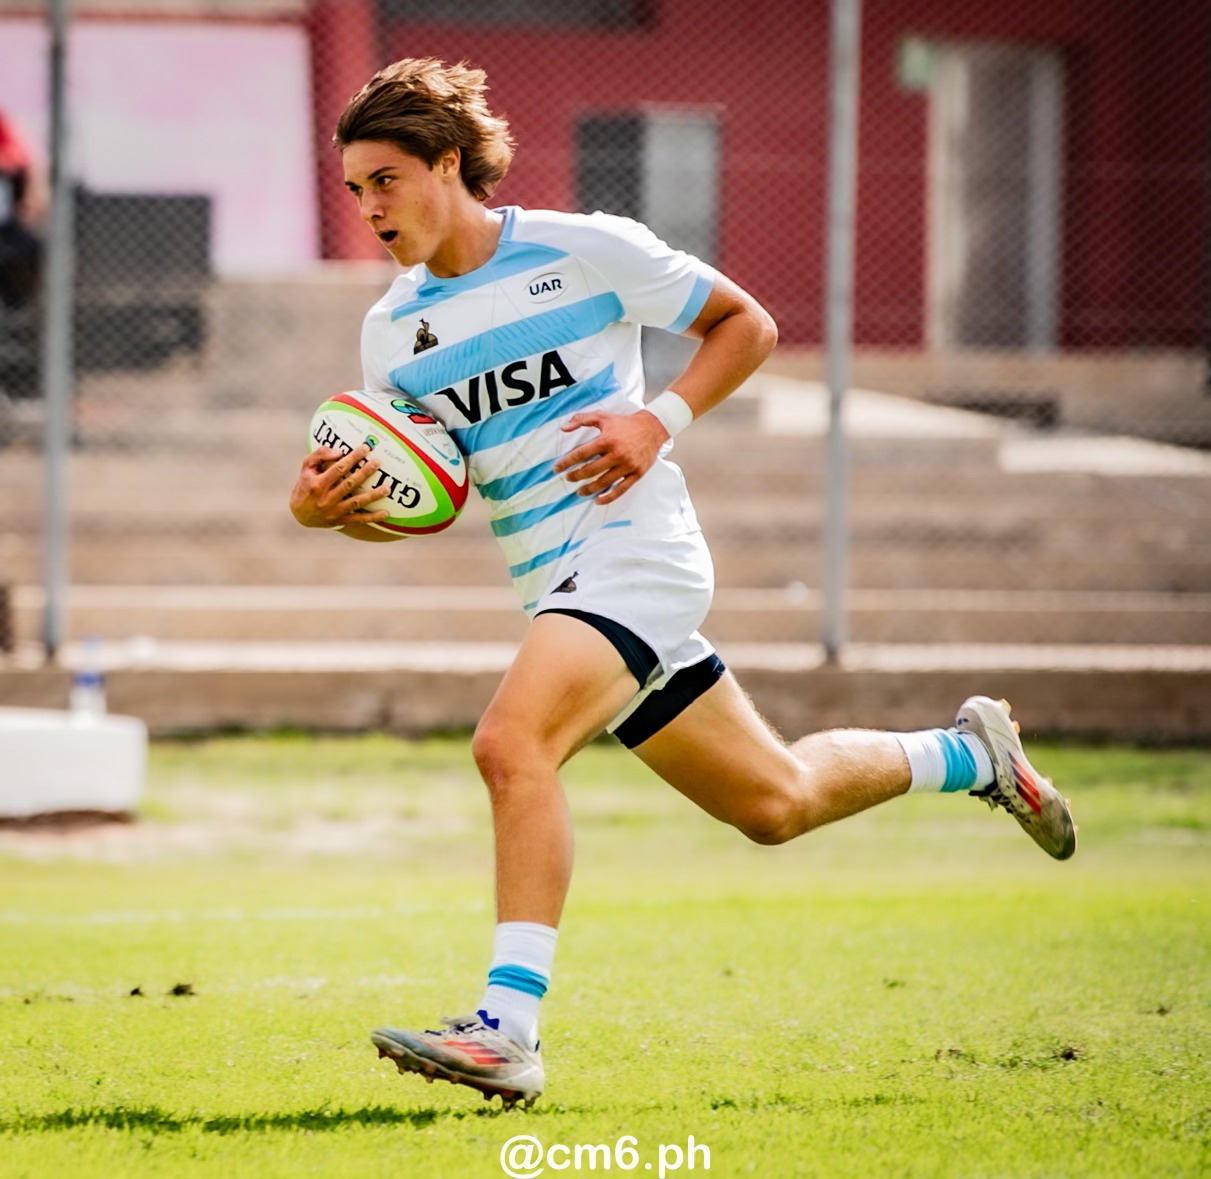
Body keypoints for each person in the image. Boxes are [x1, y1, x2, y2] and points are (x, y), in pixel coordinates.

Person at [288, 58, 1076, 1110]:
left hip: (634, 557)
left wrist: (655, 420)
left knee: (509, 745)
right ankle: (967, 754)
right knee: (774, 802)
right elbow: (434, 494)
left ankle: (505, 1030)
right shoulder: (391, 336)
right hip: (558, 586)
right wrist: (329, 510)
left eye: (383, 179)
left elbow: (743, 324)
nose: (367, 207)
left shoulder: (583, 247)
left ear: (447, 163)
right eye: (352, 190)